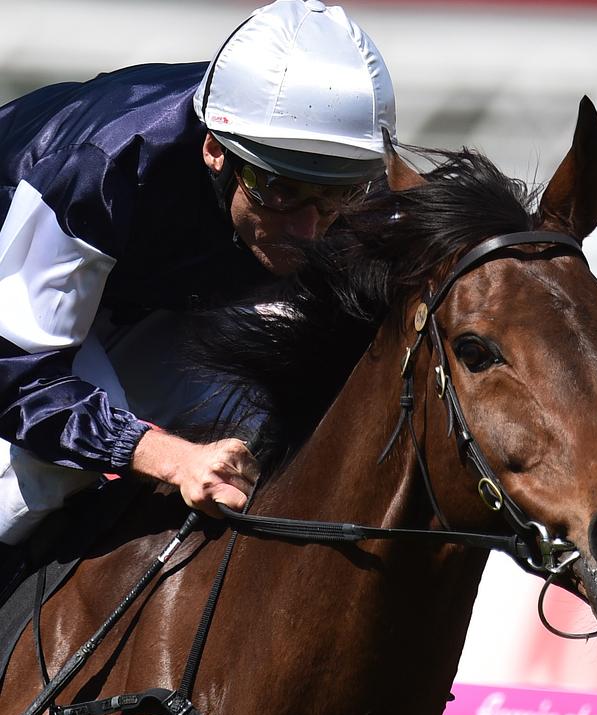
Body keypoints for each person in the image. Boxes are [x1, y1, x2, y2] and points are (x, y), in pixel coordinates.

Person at [0, 0, 397, 554]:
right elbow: (15, 372)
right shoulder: (103, 166)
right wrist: (172, 458)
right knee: (46, 470)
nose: (309, 230)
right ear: (216, 150)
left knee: (265, 408)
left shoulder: (353, 186)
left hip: (133, 291)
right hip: (19, 298)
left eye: (336, 195)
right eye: (280, 190)